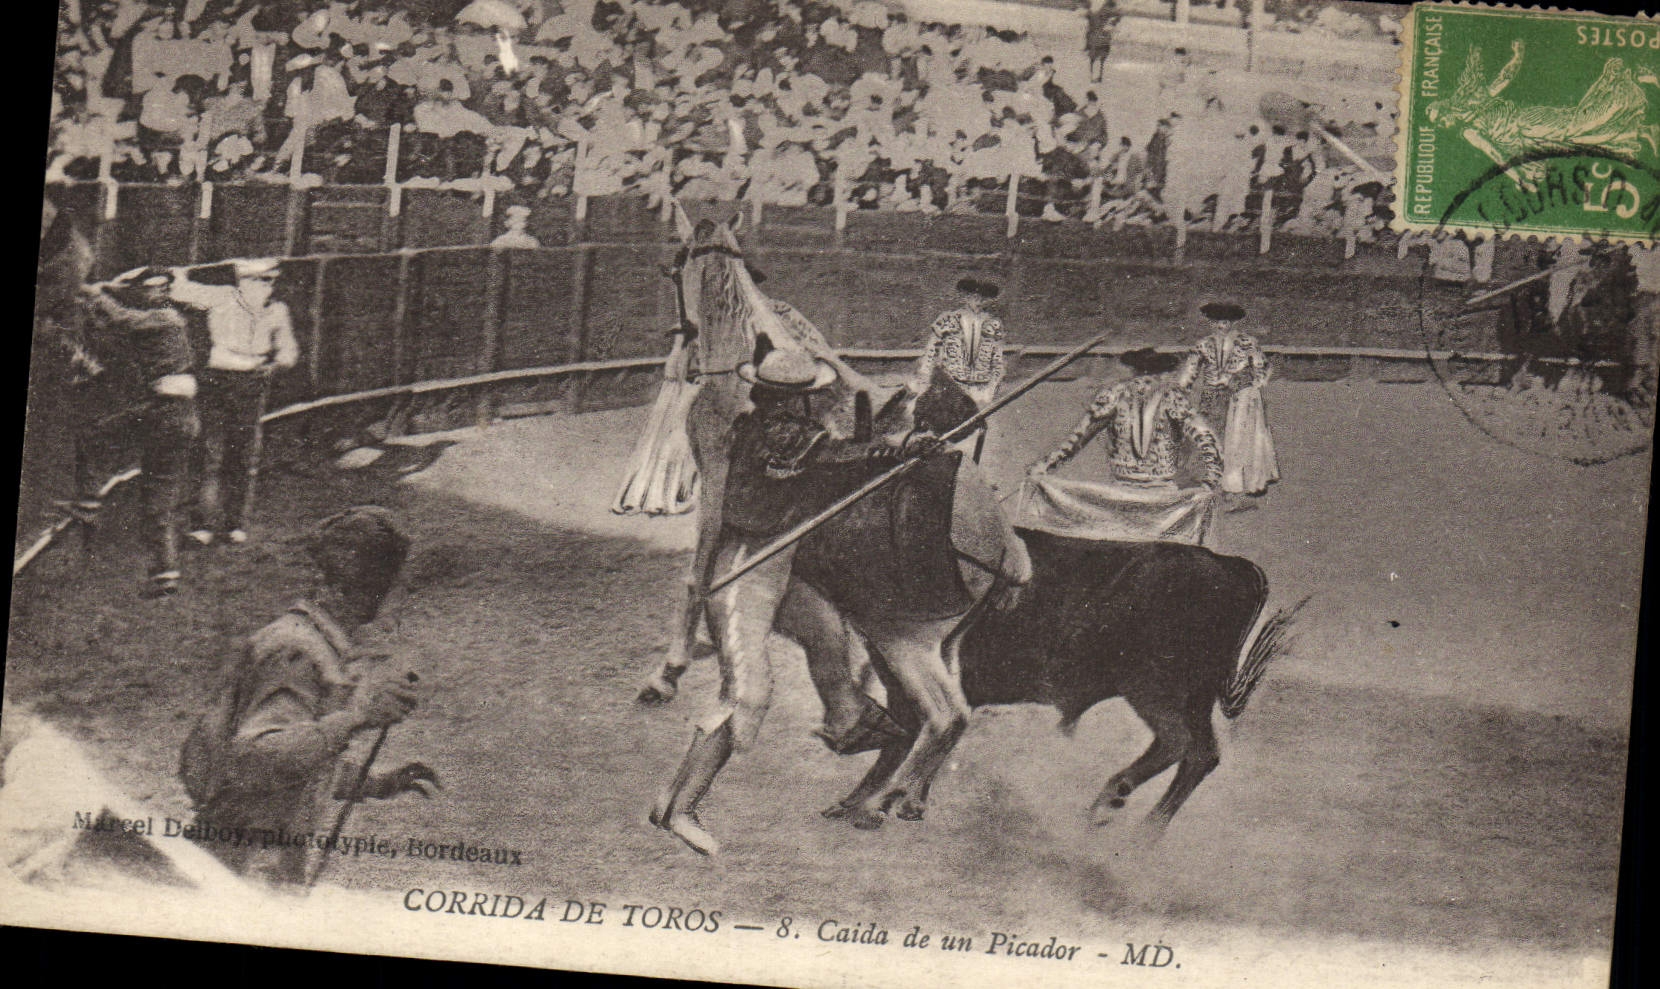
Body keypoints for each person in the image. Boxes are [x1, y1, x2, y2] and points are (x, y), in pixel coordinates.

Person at [651, 348, 946, 855]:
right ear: (787, 399)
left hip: (780, 567)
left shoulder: (780, 430)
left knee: (827, 633)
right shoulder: (775, 433)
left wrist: (892, 448)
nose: (801, 407)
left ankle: (847, 723)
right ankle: (678, 808)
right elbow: (835, 455)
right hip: (742, 571)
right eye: (800, 399)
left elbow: (835, 458)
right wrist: (897, 449)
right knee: (748, 692)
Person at [178, 506, 438, 888]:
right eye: (396, 581)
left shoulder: (316, 646)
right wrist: (360, 716)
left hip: (252, 863)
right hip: (238, 873)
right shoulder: (297, 651)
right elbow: (255, 759)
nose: (400, 597)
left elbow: (300, 764)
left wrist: (376, 784)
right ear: (369, 583)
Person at [73, 267, 201, 597]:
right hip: (176, 416)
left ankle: (88, 501)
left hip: (164, 412)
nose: (154, 293)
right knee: (158, 499)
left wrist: (92, 292)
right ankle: (166, 574)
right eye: (148, 288)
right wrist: (98, 296)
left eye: (160, 287)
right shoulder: (162, 320)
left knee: (94, 435)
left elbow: (120, 319)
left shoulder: (165, 318)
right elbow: (112, 325)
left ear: (168, 291)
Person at [1027, 348, 1222, 543]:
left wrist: (1044, 466)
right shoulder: (1172, 397)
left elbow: (1076, 439)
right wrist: (1210, 481)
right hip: (1163, 499)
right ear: (1162, 373)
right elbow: (1206, 439)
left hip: (1119, 495)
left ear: (1134, 370)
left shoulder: (1114, 395)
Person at [167, 258, 298, 546]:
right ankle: (201, 525)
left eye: (268, 281)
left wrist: (274, 366)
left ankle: (233, 523)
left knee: (241, 454)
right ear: (242, 281)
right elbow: (180, 290)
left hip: (251, 384)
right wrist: (179, 272)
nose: (264, 286)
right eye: (256, 280)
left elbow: (289, 350)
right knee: (207, 451)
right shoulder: (222, 297)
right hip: (217, 380)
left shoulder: (277, 311)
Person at [1178, 302, 1278, 501]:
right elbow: (1190, 371)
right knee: (1210, 434)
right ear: (1210, 323)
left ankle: (1233, 483)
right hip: (1211, 395)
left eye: (1225, 322)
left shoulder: (1248, 342)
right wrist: (1181, 390)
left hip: (1238, 397)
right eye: (1216, 322)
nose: (1221, 326)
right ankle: (1208, 479)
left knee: (1237, 440)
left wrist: (1248, 386)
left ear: (1233, 323)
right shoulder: (1203, 344)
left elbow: (1262, 369)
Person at [914, 278, 1006, 408]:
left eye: (982, 298)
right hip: (953, 382)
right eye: (973, 297)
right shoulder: (948, 320)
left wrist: (992, 386)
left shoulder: (994, 324)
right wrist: (924, 376)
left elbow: (997, 359)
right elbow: (931, 352)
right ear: (965, 297)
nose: (977, 302)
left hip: (981, 385)